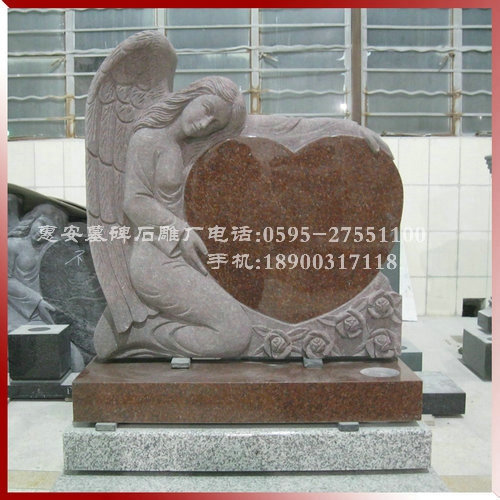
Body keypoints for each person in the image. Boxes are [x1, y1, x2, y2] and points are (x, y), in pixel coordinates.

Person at [95, 76, 253, 358]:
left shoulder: (181, 146)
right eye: (206, 109)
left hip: (183, 258)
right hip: (156, 261)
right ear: (192, 95)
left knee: (237, 326)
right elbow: (134, 201)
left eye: (214, 123)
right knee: (234, 332)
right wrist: (180, 231)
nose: (204, 123)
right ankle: (140, 334)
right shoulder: (148, 139)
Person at [8, 204, 68, 330]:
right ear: (32, 220)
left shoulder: (50, 252)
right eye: (42, 223)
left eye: (49, 229)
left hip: (45, 312)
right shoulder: (12, 245)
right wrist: (36, 301)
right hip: (19, 310)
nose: (42, 231)